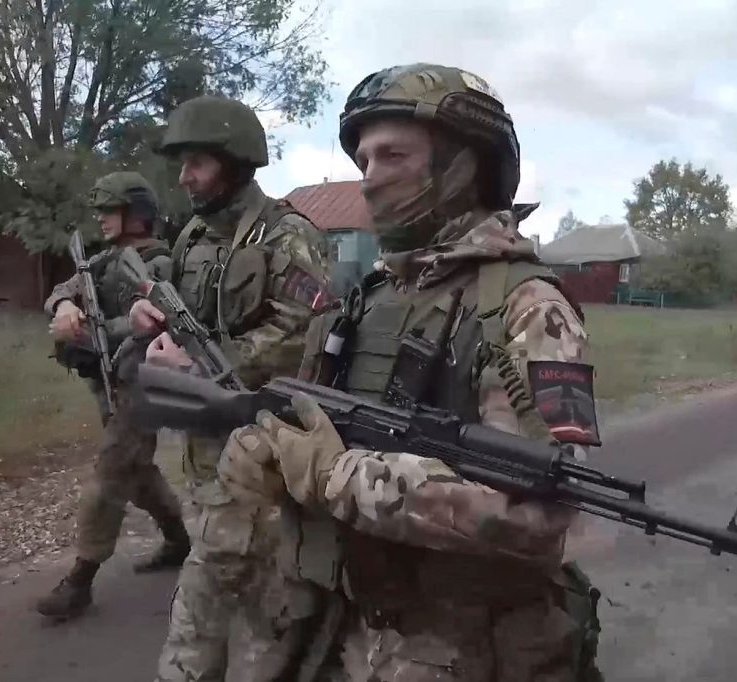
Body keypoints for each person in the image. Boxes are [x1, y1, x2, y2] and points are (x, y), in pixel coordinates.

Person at [218, 63, 606, 681]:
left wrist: (339, 476)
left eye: (392, 156)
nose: (369, 180)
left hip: (460, 646)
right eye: (363, 160)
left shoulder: (526, 308)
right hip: (340, 619)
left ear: (462, 165)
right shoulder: (371, 296)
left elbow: (538, 513)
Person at [127, 94, 334, 681]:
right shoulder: (193, 236)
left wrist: (219, 365)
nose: (185, 177)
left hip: (264, 451)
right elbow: (176, 308)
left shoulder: (287, 235)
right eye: (183, 164)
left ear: (236, 162)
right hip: (201, 448)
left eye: (198, 163)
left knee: (244, 604)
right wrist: (151, 321)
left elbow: (305, 328)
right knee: (231, 590)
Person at [36, 171, 191, 620]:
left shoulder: (157, 263)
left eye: (110, 209)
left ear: (136, 212)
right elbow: (67, 289)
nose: (101, 218)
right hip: (108, 382)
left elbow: (159, 321)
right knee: (136, 471)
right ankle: (179, 540)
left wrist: (99, 329)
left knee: (110, 476)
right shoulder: (102, 259)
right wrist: (64, 307)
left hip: (141, 385)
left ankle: (80, 581)